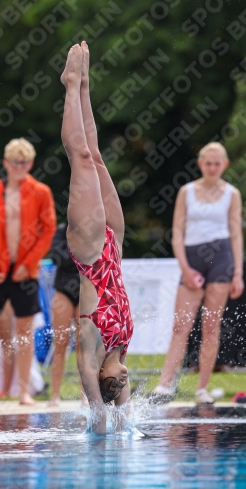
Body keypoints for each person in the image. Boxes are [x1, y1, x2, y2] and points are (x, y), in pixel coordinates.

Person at [61, 42, 134, 430]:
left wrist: (99, 412)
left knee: (83, 160)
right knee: (98, 156)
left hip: (90, 253)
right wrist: (120, 414)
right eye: (121, 384)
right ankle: (85, 87)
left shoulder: (93, 348)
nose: (123, 380)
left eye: (115, 384)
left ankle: (70, 86)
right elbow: (126, 411)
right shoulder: (120, 349)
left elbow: (89, 382)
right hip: (114, 248)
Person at [151, 142, 244, 404]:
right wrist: (185, 268)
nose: (213, 168)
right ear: (201, 164)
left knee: (211, 326)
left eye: (217, 164)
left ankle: (202, 388)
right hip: (192, 257)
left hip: (221, 257)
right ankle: (164, 385)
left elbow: (236, 234)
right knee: (181, 324)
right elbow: (177, 233)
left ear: (224, 165)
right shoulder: (187, 192)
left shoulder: (232, 194)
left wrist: (237, 272)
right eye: (208, 163)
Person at [0, 138, 56, 405]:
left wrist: (29, 263)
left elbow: (48, 231)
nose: (19, 166)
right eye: (14, 162)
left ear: (31, 164)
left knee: (24, 332)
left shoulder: (40, 192)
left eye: (23, 162)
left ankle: (23, 390)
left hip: (25, 270)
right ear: (5, 163)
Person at [48, 221, 81, 406]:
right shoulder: (63, 229)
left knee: (83, 345)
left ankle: (85, 395)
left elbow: (98, 257)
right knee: (60, 342)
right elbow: (55, 256)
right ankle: (54, 395)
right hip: (63, 290)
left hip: (84, 290)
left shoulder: (95, 228)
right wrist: (80, 257)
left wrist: (71, 257)